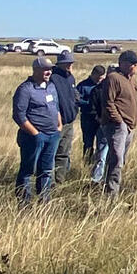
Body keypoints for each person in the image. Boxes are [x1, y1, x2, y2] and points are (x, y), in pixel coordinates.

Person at [12, 56, 65, 203]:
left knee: (47, 170)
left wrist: (59, 126)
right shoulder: (25, 89)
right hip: (33, 137)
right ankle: (24, 202)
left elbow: (56, 107)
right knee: (28, 170)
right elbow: (19, 115)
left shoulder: (51, 87)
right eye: (45, 69)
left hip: (53, 134)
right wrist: (35, 133)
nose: (48, 72)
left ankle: (44, 200)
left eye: (50, 70)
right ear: (36, 70)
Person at [94, 52, 137, 194]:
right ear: (123, 63)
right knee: (116, 158)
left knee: (121, 159)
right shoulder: (113, 78)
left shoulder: (131, 79)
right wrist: (119, 121)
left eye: (136, 63)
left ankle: (110, 186)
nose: (135, 66)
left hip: (130, 125)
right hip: (117, 125)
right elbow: (108, 103)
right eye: (132, 63)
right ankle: (111, 193)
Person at [51, 53, 81, 181]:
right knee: (52, 153)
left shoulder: (71, 78)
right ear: (60, 64)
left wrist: (75, 107)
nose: (70, 65)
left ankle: (60, 180)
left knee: (64, 153)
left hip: (69, 122)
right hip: (57, 123)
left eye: (71, 63)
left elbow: (74, 96)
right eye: (67, 63)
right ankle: (49, 182)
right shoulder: (53, 77)